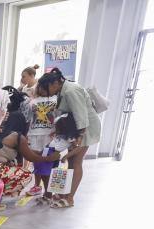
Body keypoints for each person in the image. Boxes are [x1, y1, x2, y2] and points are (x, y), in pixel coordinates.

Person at [37, 67, 102, 208]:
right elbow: (68, 115)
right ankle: (64, 193)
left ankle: (70, 198)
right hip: (75, 129)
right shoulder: (64, 90)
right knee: (70, 163)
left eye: (45, 88)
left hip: (85, 128)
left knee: (76, 162)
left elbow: (81, 116)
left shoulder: (71, 91)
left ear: (54, 83)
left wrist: (79, 137)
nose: (45, 92)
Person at [32, 113, 85, 204]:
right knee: (44, 175)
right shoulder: (59, 135)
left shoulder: (70, 138)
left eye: (57, 127)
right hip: (47, 153)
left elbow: (78, 148)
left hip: (51, 156)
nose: (56, 128)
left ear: (64, 128)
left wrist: (66, 156)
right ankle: (47, 194)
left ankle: (48, 195)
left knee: (47, 176)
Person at [24, 84, 58, 196]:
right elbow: (28, 118)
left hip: (49, 138)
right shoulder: (33, 102)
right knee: (38, 165)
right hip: (35, 137)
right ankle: (41, 189)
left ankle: (48, 193)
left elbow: (60, 116)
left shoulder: (56, 99)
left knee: (47, 166)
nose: (41, 89)